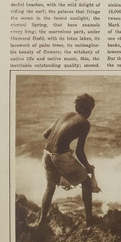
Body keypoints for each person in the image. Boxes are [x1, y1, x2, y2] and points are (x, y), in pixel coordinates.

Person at [36, 93, 97, 227]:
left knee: (49, 187)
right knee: (86, 183)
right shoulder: (84, 123)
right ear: (89, 110)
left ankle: (41, 221)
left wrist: (63, 143)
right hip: (59, 156)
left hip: (46, 154)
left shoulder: (65, 115)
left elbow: (45, 134)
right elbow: (80, 151)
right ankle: (89, 221)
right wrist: (87, 166)